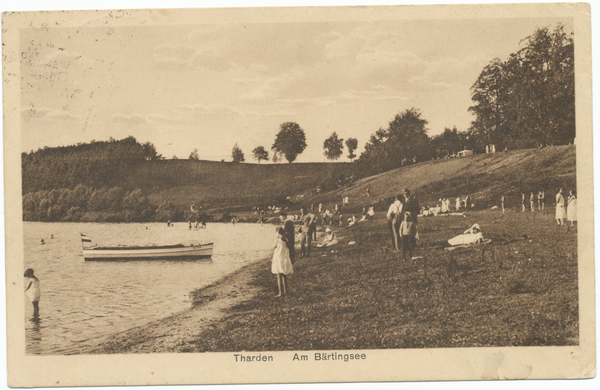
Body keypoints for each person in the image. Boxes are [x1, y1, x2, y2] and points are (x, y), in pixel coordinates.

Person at [271, 228, 293, 297]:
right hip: (284, 259)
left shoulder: (277, 240)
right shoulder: (286, 240)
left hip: (278, 258)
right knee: (284, 276)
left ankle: (280, 292)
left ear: (278, 233)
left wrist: (275, 238)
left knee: (279, 276)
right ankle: (285, 291)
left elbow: (273, 247)